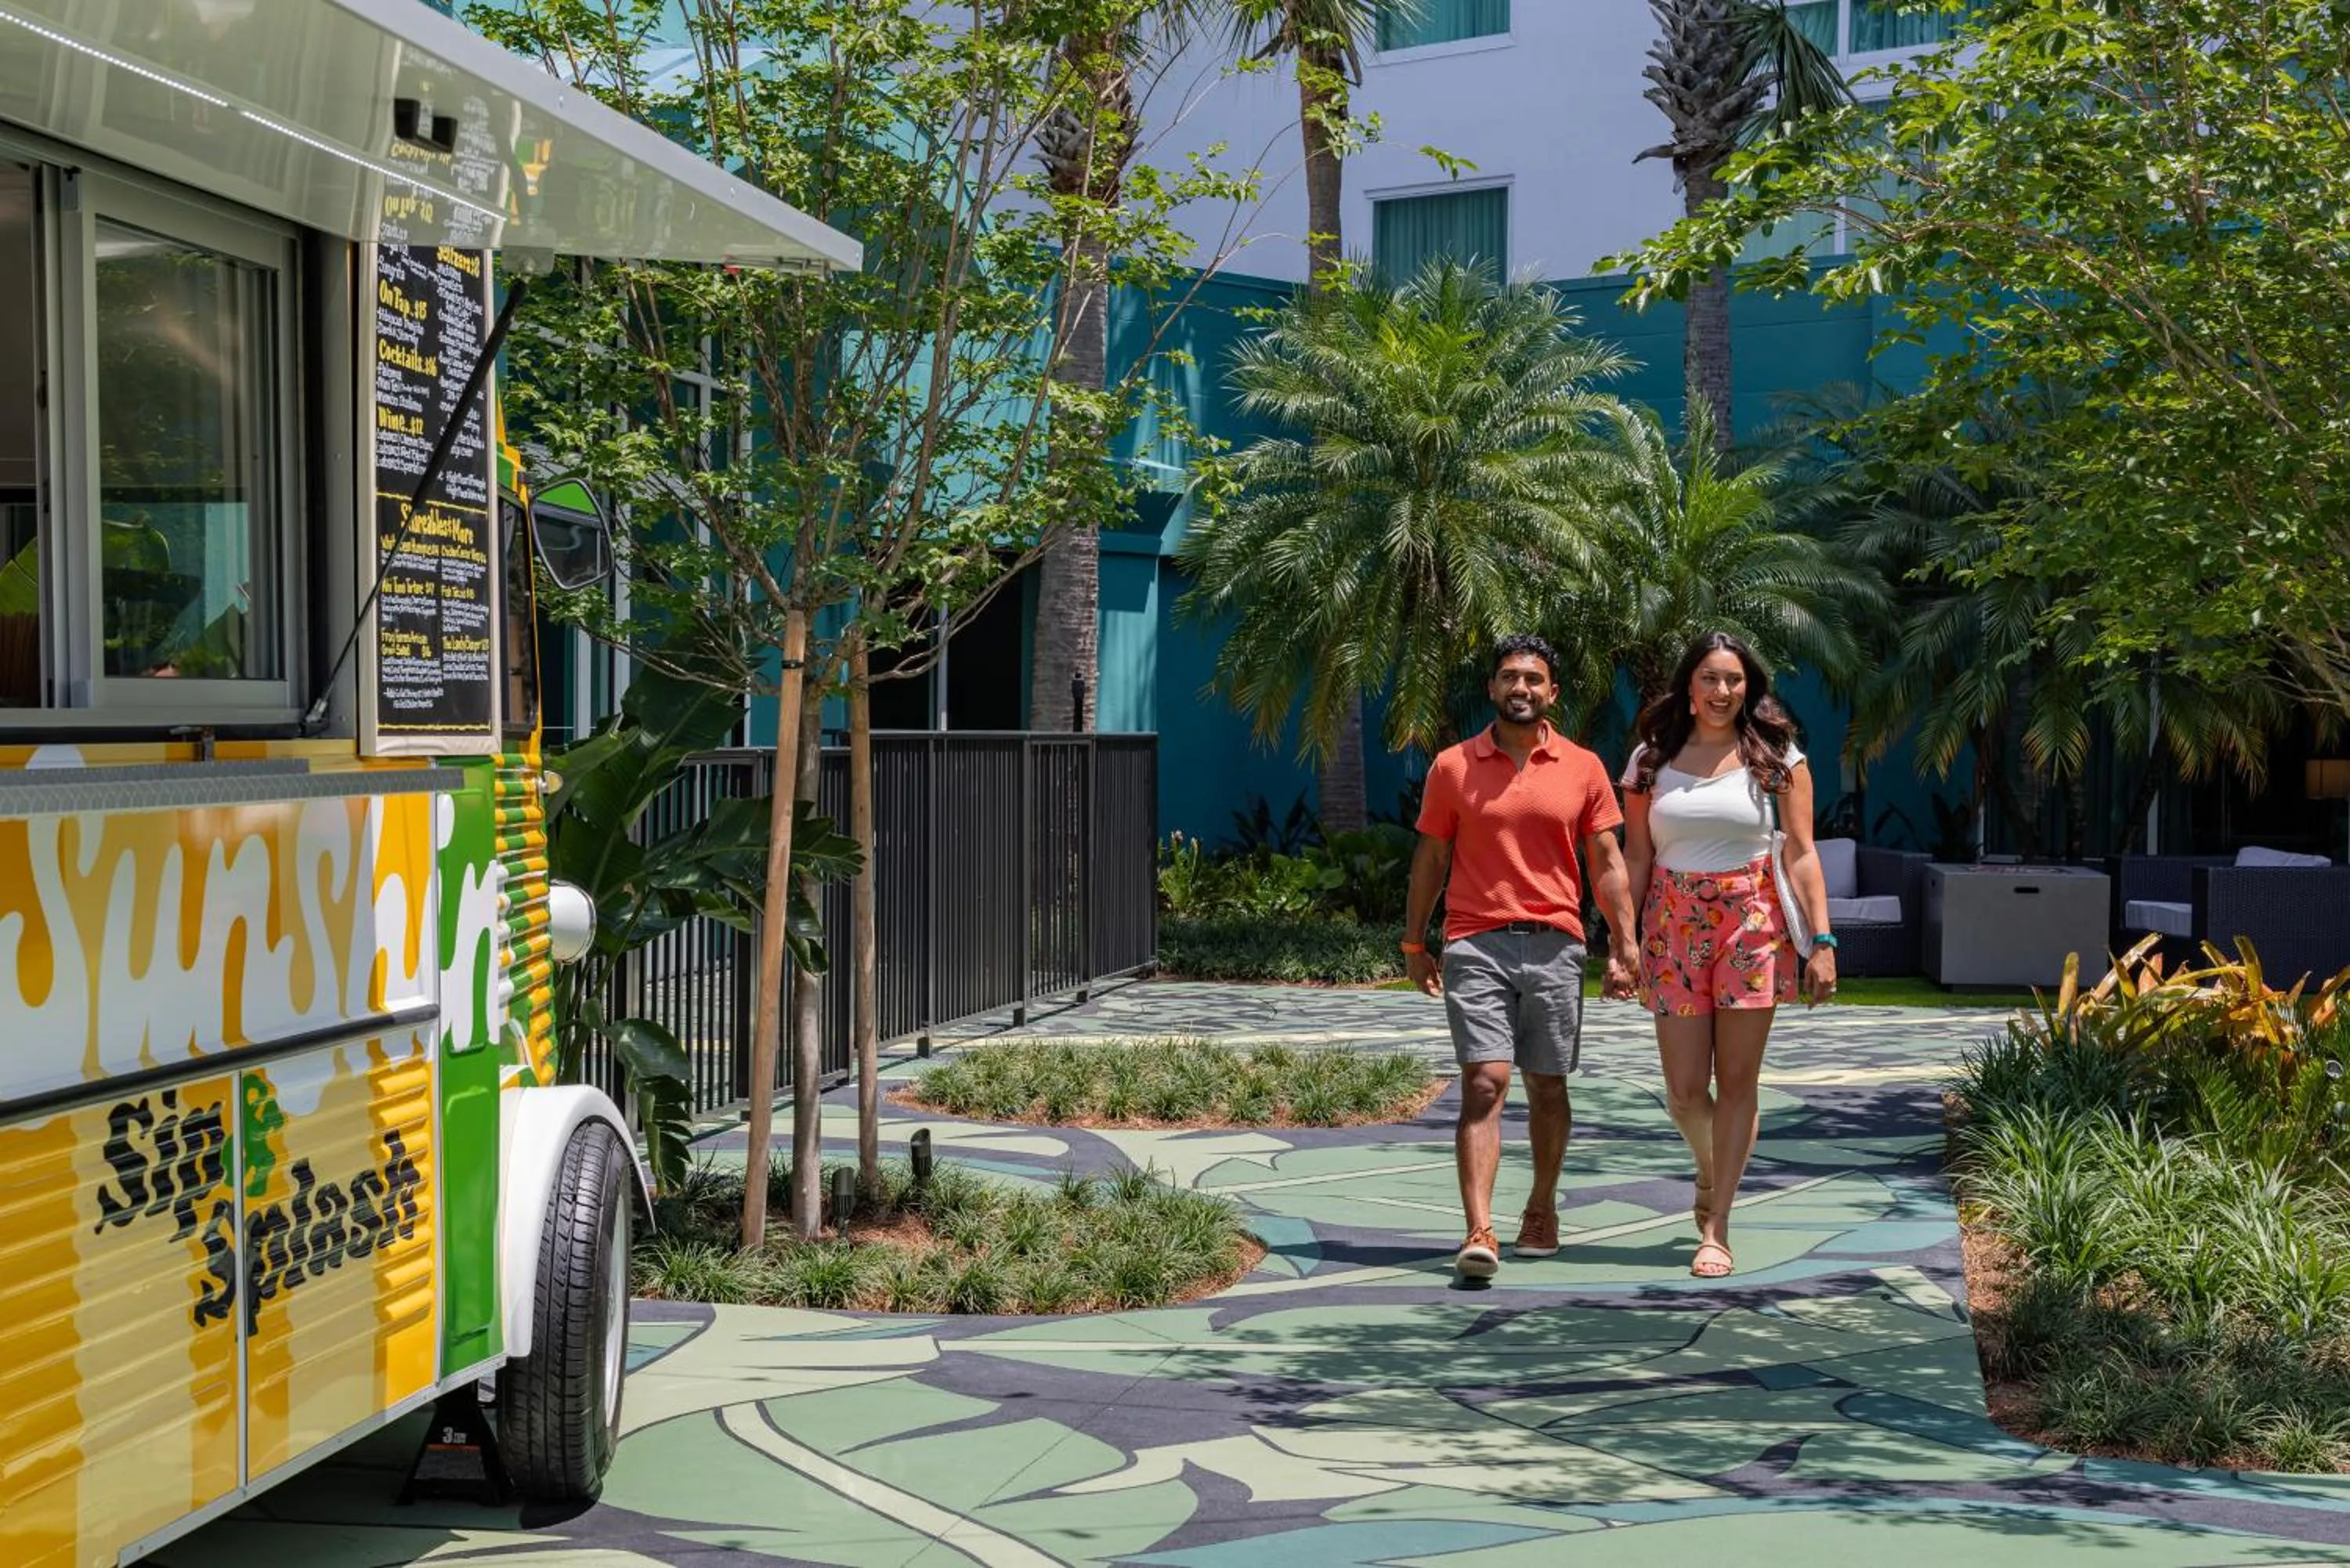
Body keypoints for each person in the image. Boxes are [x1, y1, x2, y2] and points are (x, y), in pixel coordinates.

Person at [1403, 634, 1639, 1280]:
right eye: (1509, 677)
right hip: (1475, 941)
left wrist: (1624, 943)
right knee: (1486, 1081)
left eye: (1533, 678)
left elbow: (1609, 863)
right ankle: (1478, 1228)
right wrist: (1414, 942)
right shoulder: (1453, 766)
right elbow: (1430, 857)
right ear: (1491, 689)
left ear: (1552, 692)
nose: (1521, 689)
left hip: (1557, 945)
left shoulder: (1585, 767)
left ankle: (1540, 1208)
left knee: (1547, 1085)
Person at [1619, 632, 1836, 1279]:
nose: (1722, 692)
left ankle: (1717, 1226)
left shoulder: (1777, 758)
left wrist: (1822, 942)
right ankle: (1713, 1167)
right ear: (1688, 685)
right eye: (1710, 679)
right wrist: (1622, 939)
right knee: (1685, 1091)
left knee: (1737, 1081)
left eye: (1734, 681)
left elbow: (1801, 852)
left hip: (1753, 922)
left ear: (1751, 688)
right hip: (1671, 922)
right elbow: (1636, 856)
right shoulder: (1649, 761)